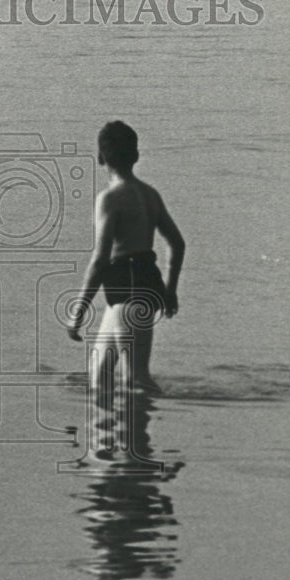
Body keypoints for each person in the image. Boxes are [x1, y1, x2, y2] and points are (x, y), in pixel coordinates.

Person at [67, 121, 185, 393]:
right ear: (136, 156)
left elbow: (100, 260)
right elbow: (177, 244)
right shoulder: (150, 194)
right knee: (98, 377)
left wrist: (78, 311)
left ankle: (148, 432)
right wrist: (170, 291)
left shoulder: (109, 198)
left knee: (138, 379)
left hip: (128, 290)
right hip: (135, 289)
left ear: (100, 158)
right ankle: (106, 436)